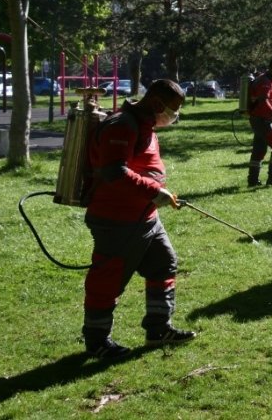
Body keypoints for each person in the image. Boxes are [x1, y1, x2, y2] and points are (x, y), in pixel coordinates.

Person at [82, 79, 195, 360]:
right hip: (117, 219)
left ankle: (158, 329)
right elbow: (114, 172)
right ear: (156, 103)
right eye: (173, 109)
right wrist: (154, 191)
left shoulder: (146, 124)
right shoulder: (121, 125)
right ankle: (97, 341)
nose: (174, 115)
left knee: (164, 264)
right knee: (108, 280)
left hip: (146, 217)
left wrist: (154, 195)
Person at [248, 56, 272, 187]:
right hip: (262, 120)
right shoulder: (265, 80)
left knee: (259, 149)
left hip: (260, 119)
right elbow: (263, 100)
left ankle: (253, 180)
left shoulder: (271, 79)